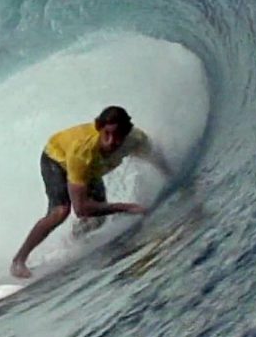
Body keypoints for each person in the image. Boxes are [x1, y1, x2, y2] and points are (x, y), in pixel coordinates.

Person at [10, 105, 172, 278]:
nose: (111, 142)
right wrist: (127, 207)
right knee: (60, 211)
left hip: (91, 168)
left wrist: (174, 180)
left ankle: (72, 243)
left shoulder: (136, 140)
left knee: (98, 219)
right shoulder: (83, 152)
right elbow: (81, 209)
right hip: (57, 157)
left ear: (127, 132)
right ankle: (18, 261)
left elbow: (158, 160)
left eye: (118, 137)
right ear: (98, 128)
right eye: (107, 135)